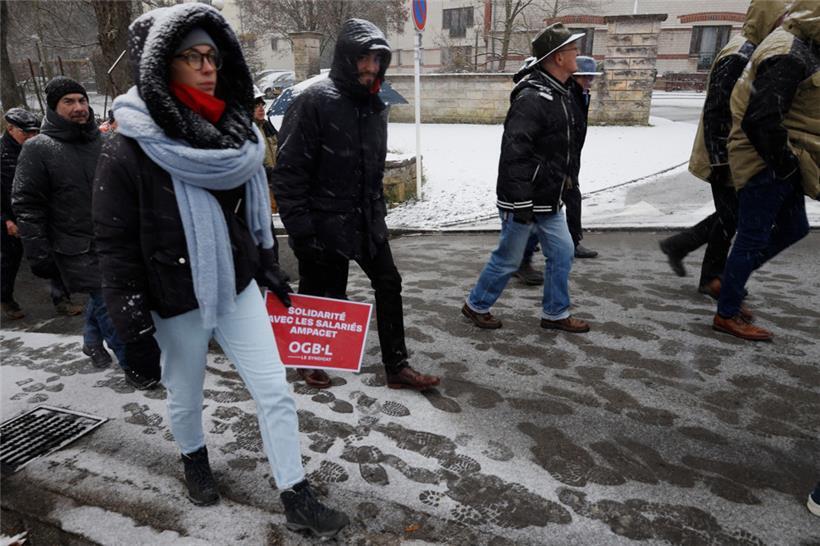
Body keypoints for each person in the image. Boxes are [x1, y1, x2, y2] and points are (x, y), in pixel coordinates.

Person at [92, 4, 349, 537]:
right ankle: (193, 458)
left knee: (274, 388)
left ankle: (295, 493)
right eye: (192, 56)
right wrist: (130, 322)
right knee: (185, 393)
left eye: (212, 55)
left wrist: (268, 265)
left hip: (235, 283)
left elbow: (244, 219)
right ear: (162, 65)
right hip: (173, 293)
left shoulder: (231, 130)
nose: (208, 67)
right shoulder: (127, 147)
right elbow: (115, 245)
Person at [272, 18, 441, 392]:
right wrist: (301, 230)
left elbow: (373, 167)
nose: (370, 67)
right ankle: (309, 360)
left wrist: (377, 213)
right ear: (347, 59)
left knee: (389, 283)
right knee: (324, 294)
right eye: (363, 58)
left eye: (377, 59)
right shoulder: (313, 101)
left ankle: (397, 366)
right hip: (323, 221)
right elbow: (289, 173)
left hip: (366, 219)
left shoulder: (377, 103)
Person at [462, 23, 590, 334]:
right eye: (573, 50)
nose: (579, 55)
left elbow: (565, 147)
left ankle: (555, 313)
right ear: (558, 58)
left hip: (549, 195)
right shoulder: (533, 97)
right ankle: (476, 305)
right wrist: (520, 202)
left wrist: (566, 183)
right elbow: (515, 153)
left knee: (562, 252)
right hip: (524, 197)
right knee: (508, 258)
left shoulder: (562, 92)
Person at [659, 0, 788, 300]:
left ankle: (682, 247)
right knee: (733, 216)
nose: (785, 23)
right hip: (725, 150)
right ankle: (709, 276)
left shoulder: (754, 50)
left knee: (732, 214)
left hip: (735, 149)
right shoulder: (739, 54)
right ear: (766, 17)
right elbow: (718, 109)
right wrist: (720, 160)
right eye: (781, 16)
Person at [11, 77, 137, 375]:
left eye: (81, 100)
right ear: (54, 108)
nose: (79, 107)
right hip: (75, 246)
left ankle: (92, 342)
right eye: (68, 102)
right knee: (110, 303)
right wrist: (38, 252)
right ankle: (135, 366)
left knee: (102, 298)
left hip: (115, 242)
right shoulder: (39, 149)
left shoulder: (106, 141)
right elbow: (26, 204)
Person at [713, 0, 818, 341]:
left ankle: (730, 283)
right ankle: (727, 312)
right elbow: (761, 118)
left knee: (794, 227)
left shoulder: (798, 46)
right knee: (752, 235)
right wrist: (786, 165)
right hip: (766, 161)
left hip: (777, 157)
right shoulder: (788, 52)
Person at [1, 108, 40, 320]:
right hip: (9, 216)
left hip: (35, 212)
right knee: (9, 260)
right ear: (10, 129)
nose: (31, 137)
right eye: (26, 133)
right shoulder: (2, 154)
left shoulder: (36, 149)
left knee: (48, 256)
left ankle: (61, 299)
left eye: (35, 132)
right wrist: (5, 219)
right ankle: (5, 298)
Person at [565, 55, 601, 260]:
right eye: (584, 76)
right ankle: (572, 243)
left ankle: (526, 248)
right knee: (570, 199)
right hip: (564, 160)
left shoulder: (581, 94)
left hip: (571, 158)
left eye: (591, 77)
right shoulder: (570, 95)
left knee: (551, 205)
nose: (588, 81)